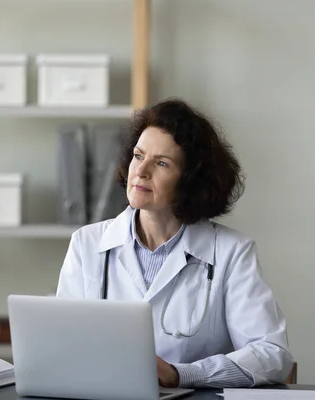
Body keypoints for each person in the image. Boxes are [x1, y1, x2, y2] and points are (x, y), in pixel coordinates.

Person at [56, 98, 294, 389]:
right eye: (138, 156)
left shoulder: (232, 253)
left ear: (190, 181)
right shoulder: (86, 244)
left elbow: (272, 355)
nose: (141, 172)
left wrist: (181, 374)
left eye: (161, 163)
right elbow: (63, 348)